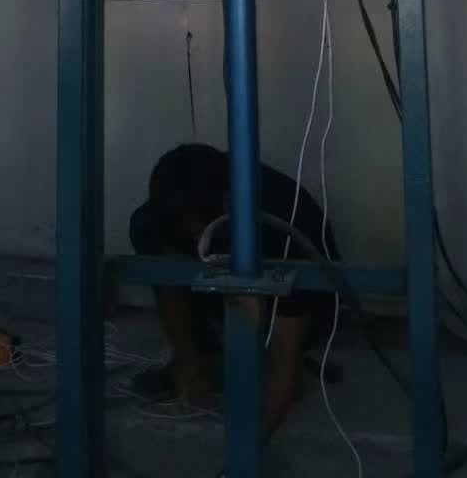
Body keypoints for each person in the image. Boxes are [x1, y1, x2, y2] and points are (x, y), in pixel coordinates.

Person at [129, 143, 339, 432]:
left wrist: (246, 447)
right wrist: (188, 362)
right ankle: (204, 358)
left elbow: (283, 376)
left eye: (201, 222)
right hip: (229, 278)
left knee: (280, 371)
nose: (193, 231)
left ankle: (272, 359)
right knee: (151, 234)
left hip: (308, 305)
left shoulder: (284, 221)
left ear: (228, 201)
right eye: (185, 224)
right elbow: (169, 285)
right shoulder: (161, 216)